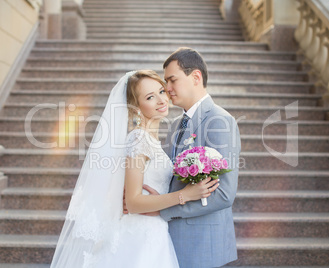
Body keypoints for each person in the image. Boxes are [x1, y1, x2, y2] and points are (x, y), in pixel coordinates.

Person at [50, 70, 219, 268]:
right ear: (135, 108)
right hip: (140, 233)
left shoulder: (152, 140)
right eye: (149, 97)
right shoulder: (138, 139)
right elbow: (133, 202)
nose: (160, 100)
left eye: (161, 92)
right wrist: (185, 195)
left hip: (153, 231)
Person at [145, 48, 241, 268]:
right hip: (169, 240)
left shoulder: (219, 121)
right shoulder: (176, 125)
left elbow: (224, 194)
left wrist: (163, 210)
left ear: (196, 77)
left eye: (172, 80)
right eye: (165, 82)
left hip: (201, 244)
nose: (167, 89)